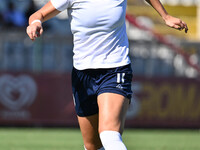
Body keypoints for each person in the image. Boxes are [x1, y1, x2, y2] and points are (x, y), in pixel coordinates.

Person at [26, 0, 188, 150]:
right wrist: (35, 23)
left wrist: (165, 16)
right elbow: (37, 15)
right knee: (92, 146)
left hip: (115, 69)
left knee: (109, 135)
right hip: (83, 74)